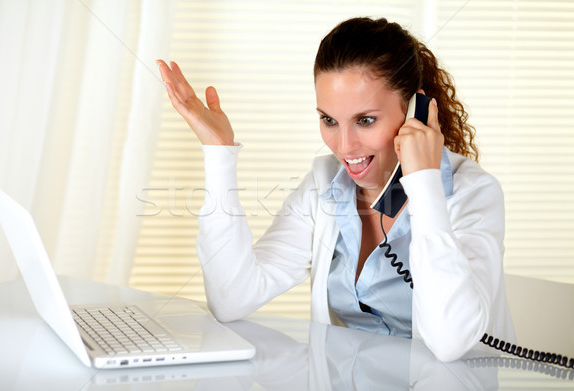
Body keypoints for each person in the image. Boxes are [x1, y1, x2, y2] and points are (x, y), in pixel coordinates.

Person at [156, 17, 515, 362]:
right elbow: (231, 298)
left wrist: (424, 184)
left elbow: (451, 342)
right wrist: (219, 152)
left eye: (365, 120)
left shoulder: (473, 193)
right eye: (329, 120)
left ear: (415, 112)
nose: (344, 146)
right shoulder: (326, 185)